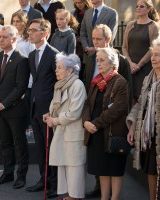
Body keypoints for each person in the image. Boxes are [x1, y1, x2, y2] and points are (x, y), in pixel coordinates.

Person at [83, 24, 132, 199]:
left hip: (112, 129)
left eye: (102, 61)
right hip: (95, 129)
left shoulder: (120, 78)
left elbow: (119, 106)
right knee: (102, 168)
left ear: (112, 63)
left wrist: (94, 123)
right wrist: (86, 121)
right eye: (98, 60)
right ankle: (103, 196)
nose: (98, 63)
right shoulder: (96, 77)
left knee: (114, 168)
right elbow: (88, 101)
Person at [0, 25, 30, 189]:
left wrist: (3, 104)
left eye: (4, 37)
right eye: (0, 37)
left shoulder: (22, 60)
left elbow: (21, 88)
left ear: (14, 39)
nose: (1, 40)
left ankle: (21, 175)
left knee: (19, 144)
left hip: (15, 110)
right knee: (5, 143)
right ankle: (7, 172)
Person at [43, 53, 87, 199]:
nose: (56, 71)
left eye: (60, 68)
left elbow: (74, 113)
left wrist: (54, 121)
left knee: (74, 170)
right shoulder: (59, 86)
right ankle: (68, 195)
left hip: (73, 134)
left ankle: (74, 197)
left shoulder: (77, 85)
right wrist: (49, 114)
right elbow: (56, 107)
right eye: (56, 67)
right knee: (64, 168)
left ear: (70, 71)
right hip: (62, 133)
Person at [25, 19, 59, 199]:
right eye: (29, 30)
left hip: (49, 111)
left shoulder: (54, 55)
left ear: (44, 33)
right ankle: (43, 179)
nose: (29, 33)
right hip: (35, 108)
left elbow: (59, 84)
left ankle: (53, 184)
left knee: (51, 148)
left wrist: (53, 109)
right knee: (40, 148)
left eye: (33, 30)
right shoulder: (31, 55)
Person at [126, 35, 160, 200]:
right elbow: (140, 103)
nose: (153, 58)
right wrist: (132, 124)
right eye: (152, 55)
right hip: (151, 134)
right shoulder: (149, 78)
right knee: (152, 171)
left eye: (157, 55)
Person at [122, 0, 159, 104]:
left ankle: (141, 120)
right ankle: (129, 120)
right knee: (129, 97)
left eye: (141, 6)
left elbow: (153, 48)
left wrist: (139, 65)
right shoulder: (130, 25)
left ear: (149, 9)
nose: (138, 8)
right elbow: (124, 47)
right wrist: (130, 63)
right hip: (130, 68)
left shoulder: (154, 26)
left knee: (143, 98)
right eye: (137, 6)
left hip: (145, 68)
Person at [11, 11, 35, 131]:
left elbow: (32, 56)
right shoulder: (12, 37)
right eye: (13, 21)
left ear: (24, 23)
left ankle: (28, 127)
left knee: (26, 103)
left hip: (27, 75)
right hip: (14, 74)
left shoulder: (29, 39)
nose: (15, 24)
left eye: (18, 21)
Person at [71, 0, 93, 81]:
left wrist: (83, 39)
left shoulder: (90, 12)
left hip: (87, 43)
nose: (79, 5)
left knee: (85, 70)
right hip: (76, 45)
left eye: (80, 2)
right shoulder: (74, 13)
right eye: (76, 3)